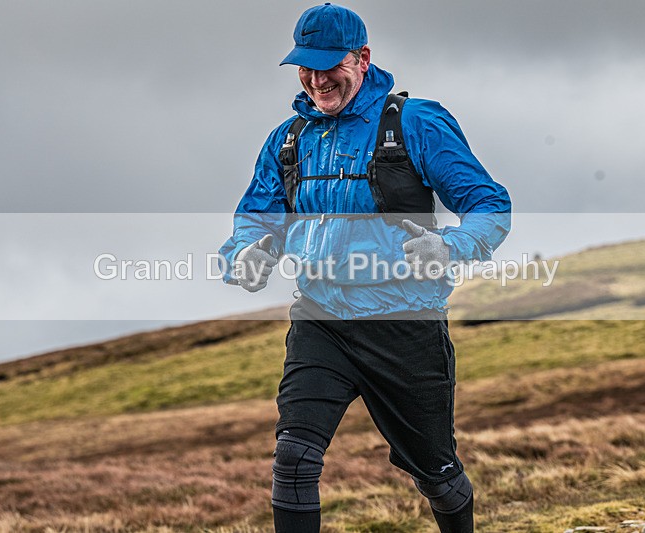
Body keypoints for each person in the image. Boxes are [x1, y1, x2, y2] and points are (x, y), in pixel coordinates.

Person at [219, 4, 511, 532]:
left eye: (329, 64)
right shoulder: (290, 139)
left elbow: (490, 207)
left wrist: (451, 247)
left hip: (405, 324)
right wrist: (247, 252)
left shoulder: (415, 122)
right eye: (304, 66)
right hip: (320, 318)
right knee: (294, 460)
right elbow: (256, 219)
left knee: (438, 476)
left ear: (363, 58)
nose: (315, 78)